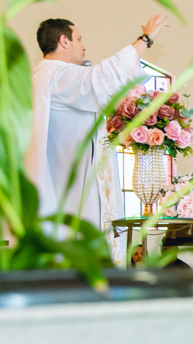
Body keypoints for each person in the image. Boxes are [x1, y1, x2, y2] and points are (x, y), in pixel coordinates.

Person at [25, 14, 168, 264]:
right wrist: (145, 40)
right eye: (79, 39)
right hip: (76, 189)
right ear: (64, 41)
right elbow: (102, 78)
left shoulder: (44, 77)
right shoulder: (57, 75)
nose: (84, 46)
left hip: (67, 180)